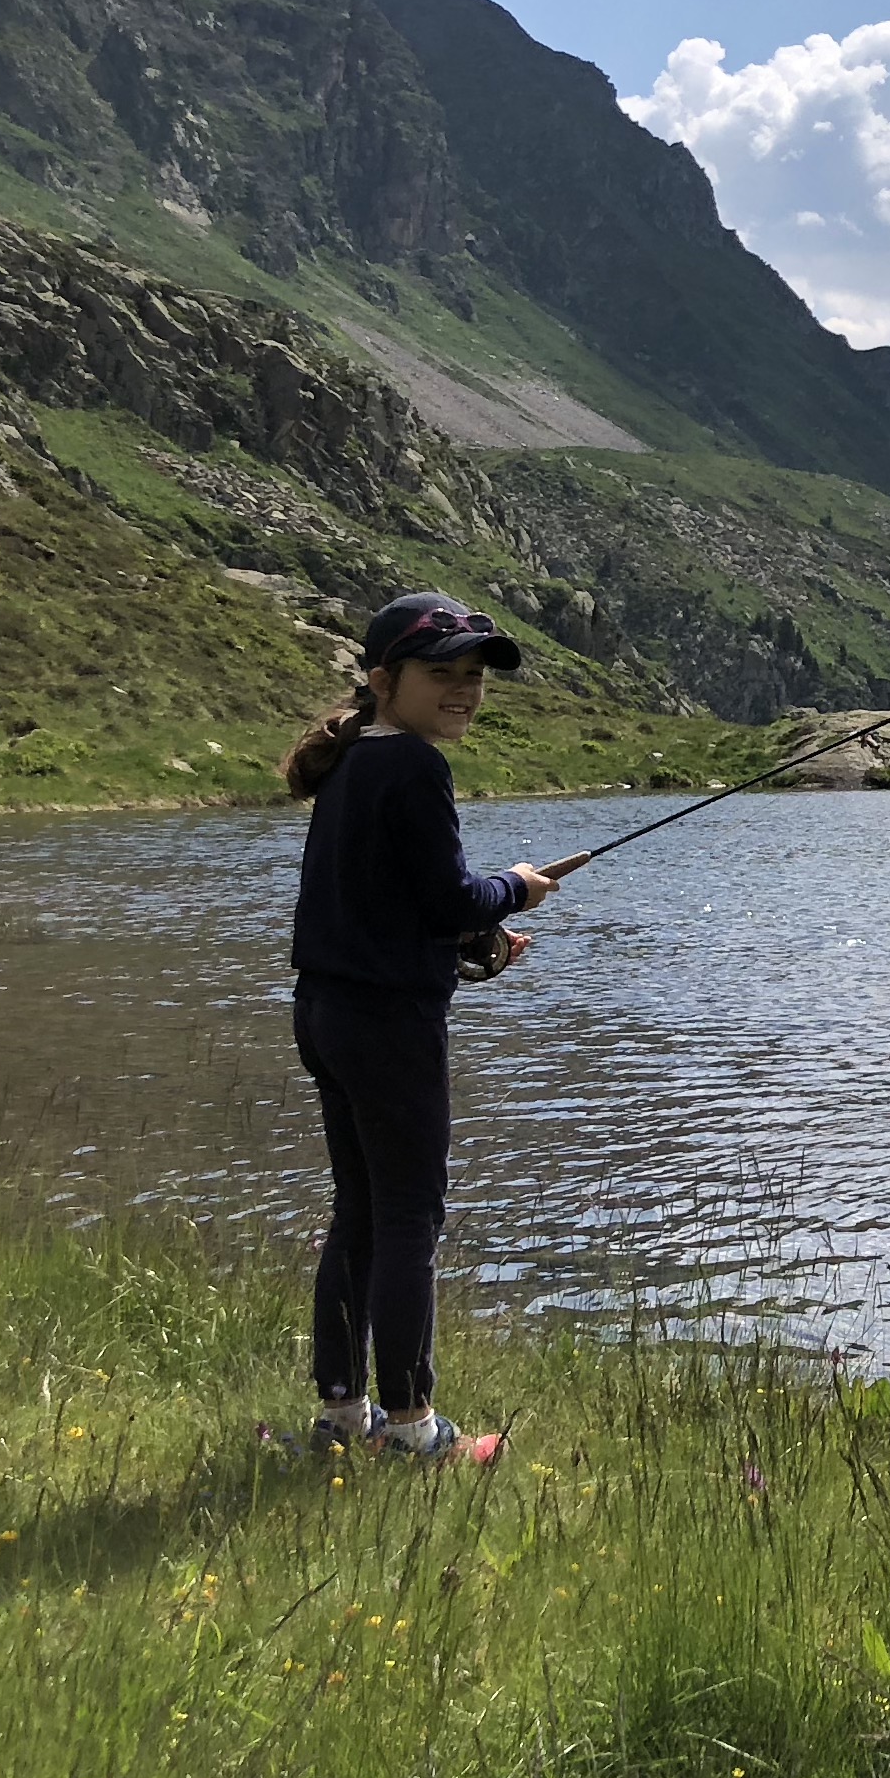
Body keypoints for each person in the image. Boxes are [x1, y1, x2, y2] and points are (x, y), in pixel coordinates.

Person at [280, 590, 560, 1462]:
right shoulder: (415, 768)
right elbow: (446, 898)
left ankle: (340, 1416)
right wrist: (514, 888)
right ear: (382, 678)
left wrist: (476, 941)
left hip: (327, 1015)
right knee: (408, 1217)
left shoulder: (356, 762)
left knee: (359, 1212)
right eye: (443, 674)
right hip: (388, 1027)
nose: (465, 691)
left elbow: (390, 906)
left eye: (474, 677)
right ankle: (412, 1429)